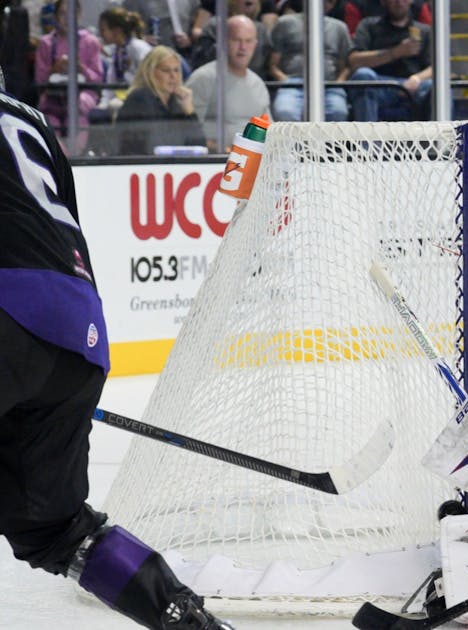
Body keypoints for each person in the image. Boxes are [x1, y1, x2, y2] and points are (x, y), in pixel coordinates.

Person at [0, 71, 231, 630]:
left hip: (10, 311)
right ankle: (191, 623)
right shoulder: (29, 119)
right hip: (80, 330)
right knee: (54, 528)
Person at [185, 15, 269, 152]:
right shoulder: (203, 78)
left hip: (254, 162)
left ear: (255, 44)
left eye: (248, 41)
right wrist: (222, 150)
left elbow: (269, 130)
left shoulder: (258, 83)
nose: (243, 47)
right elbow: (188, 131)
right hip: (213, 163)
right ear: (223, 43)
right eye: (237, 40)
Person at [33, 0, 102, 154]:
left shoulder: (91, 42)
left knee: (78, 109)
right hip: (53, 95)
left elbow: (97, 79)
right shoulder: (46, 43)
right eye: (62, 14)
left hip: (83, 94)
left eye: (70, 13)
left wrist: (81, 68)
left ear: (78, 15)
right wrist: (53, 69)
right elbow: (39, 80)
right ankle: (61, 156)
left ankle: (77, 155)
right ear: (56, 16)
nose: (66, 18)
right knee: (49, 118)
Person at [347, 0, 432, 122]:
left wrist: (416, 79)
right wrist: (396, 52)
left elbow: (437, 67)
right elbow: (354, 61)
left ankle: (440, 139)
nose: (398, 2)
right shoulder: (368, 25)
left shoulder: (425, 31)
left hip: (414, 84)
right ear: (383, 2)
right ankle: (368, 139)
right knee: (363, 75)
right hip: (379, 85)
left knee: (436, 86)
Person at [267, 0, 351, 122]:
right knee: (284, 112)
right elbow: (273, 64)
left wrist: (338, 83)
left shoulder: (340, 28)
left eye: (330, 2)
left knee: (338, 112)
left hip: (329, 84)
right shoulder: (285, 22)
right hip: (292, 83)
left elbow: (345, 66)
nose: (325, 4)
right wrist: (284, 80)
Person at [115, 45, 206, 155]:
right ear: (150, 72)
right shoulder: (140, 99)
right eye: (166, 70)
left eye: (176, 70)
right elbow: (157, 145)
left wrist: (189, 111)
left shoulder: (177, 103)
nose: (173, 76)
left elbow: (199, 147)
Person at [92, 7, 153, 123]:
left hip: (141, 100)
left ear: (117, 31)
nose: (101, 34)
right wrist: (102, 105)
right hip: (122, 97)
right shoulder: (117, 52)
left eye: (103, 30)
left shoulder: (139, 48)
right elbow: (111, 83)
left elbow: (148, 79)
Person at [189, 0, 273, 80]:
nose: (243, 47)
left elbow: (268, 63)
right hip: (217, 82)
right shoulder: (215, 26)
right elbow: (201, 60)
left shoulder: (261, 30)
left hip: (251, 83)